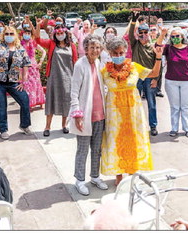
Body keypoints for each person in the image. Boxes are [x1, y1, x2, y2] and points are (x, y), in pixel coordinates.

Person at [100, 37, 162, 185]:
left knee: (133, 140)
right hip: (114, 114)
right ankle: (119, 175)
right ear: (110, 53)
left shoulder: (134, 67)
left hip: (133, 111)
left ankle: (133, 172)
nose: (119, 55)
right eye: (115, 53)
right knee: (115, 142)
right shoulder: (104, 71)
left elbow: (153, 73)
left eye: (121, 52)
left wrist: (158, 57)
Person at [0, 11, 32, 140]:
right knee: (2, 105)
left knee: (25, 101)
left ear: (15, 35)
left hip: (13, 82)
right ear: (3, 35)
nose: (9, 36)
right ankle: (3, 129)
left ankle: (24, 125)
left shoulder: (20, 49)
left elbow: (26, 65)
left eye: (11, 34)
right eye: (6, 34)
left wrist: (23, 81)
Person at [69, 34, 108, 196]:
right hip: (85, 115)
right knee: (83, 149)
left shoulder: (100, 63)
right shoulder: (80, 65)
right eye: (92, 47)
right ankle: (79, 179)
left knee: (97, 149)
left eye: (98, 47)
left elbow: (103, 86)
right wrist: (77, 114)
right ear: (86, 49)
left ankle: (95, 176)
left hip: (100, 115)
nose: (95, 50)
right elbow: (74, 91)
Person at [35, 18, 78, 137]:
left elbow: (75, 61)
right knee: (51, 101)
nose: (60, 35)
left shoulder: (72, 46)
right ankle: (47, 126)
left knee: (66, 101)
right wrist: (39, 25)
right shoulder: (51, 44)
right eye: (57, 33)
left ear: (65, 34)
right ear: (55, 34)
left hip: (68, 78)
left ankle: (64, 125)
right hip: (54, 77)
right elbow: (37, 39)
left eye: (61, 33)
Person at [161, 27, 188, 138]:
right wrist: (162, 34)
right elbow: (158, 47)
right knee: (174, 106)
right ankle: (174, 128)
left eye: (177, 36)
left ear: (182, 36)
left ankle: (187, 128)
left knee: (185, 106)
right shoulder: (168, 48)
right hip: (171, 81)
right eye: (172, 36)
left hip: (187, 81)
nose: (175, 38)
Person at [129, 11, 163, 136]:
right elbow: (130, 34)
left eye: (145, 32)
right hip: (136, 78)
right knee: (135, 103)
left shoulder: (153, 47)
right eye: (141, 33)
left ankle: (153, 126)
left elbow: (158, 65)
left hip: (149, 78)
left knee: (151, 103)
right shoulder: (135, 45)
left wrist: (156, 79)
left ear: (149, 33)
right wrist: (134, 21)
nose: (143, 35)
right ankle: (136, 125)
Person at [21, 17, 47, 109]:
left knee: (37, 83)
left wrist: (40, 62)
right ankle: (30, 103)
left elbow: (44, 51)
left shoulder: (33, 43)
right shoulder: (20, 44)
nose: (27, 35)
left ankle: (40, 102)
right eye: (25, 33)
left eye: (28, 33)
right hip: (24, 67)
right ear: (22, 34)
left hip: (34, 66)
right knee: (27, 85)